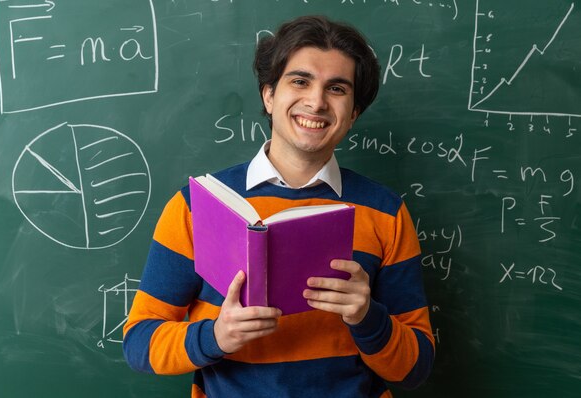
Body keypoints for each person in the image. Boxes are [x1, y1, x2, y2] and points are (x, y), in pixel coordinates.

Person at [123, 15, 434, 397]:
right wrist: (216, 336)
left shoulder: (386, 212)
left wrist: (368, 318)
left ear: (353, 114)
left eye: (336, 88)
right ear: (269, 95)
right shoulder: (195, 206)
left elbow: (415, 370)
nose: (316, 102)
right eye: (300, 81)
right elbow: (139, 343)